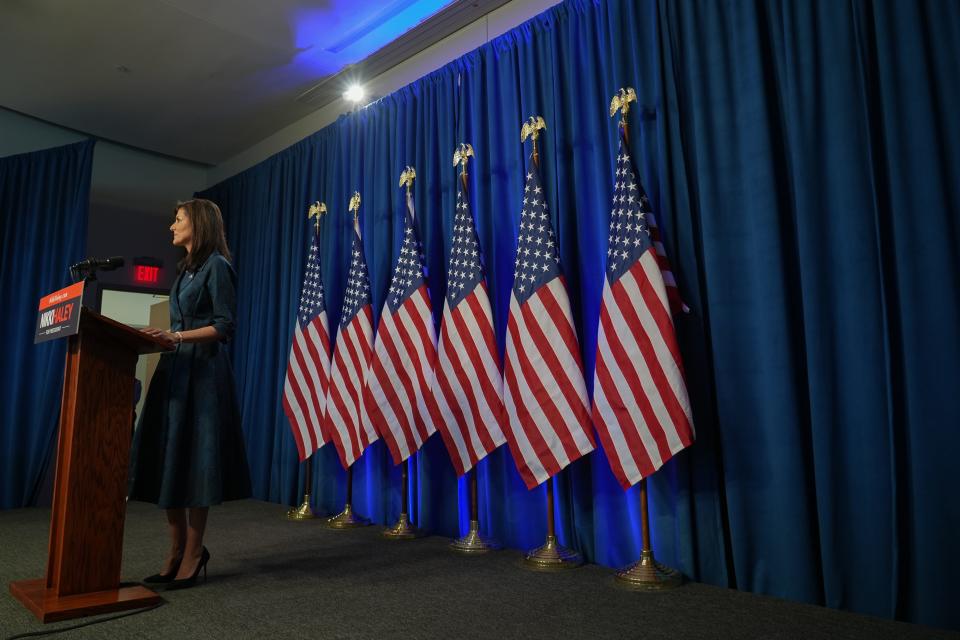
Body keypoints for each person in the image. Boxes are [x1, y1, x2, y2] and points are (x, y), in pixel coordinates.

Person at [128, 198, 251, 590]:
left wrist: (176, 335)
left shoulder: (218, 266)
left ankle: (195, 552)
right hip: (174, 372)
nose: (171, 226)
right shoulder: (184, 271)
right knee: (169, 460)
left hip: (203, 377)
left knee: (196, 464)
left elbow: (224, 326)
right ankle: (176, 549)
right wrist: (160, 337)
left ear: (196, 224)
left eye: (177, 220)